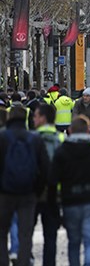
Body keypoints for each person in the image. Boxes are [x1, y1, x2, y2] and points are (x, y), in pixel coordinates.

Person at [49, 116, 90, 266]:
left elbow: (53, 180)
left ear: (70, 130)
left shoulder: (62, 151)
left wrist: (54, 207)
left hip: (70, 201)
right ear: (88, 130)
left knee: (74, 242)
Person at [0, 107, 49, 266]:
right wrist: (37, 190)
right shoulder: (34, 138)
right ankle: (23, 262)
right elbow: (45, 168)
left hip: (5, 193)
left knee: (1, 232)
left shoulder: (2, 138)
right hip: (28, 193)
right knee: (25, 234)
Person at [33, 104, 65, 266]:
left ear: (43, 118)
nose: (33, 119)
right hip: (55, 194)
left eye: (36, 116)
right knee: (51, 237)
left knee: (26, 233)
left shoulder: (31, 138)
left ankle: (26, 258)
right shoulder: (61, 139)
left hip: (33, 193)